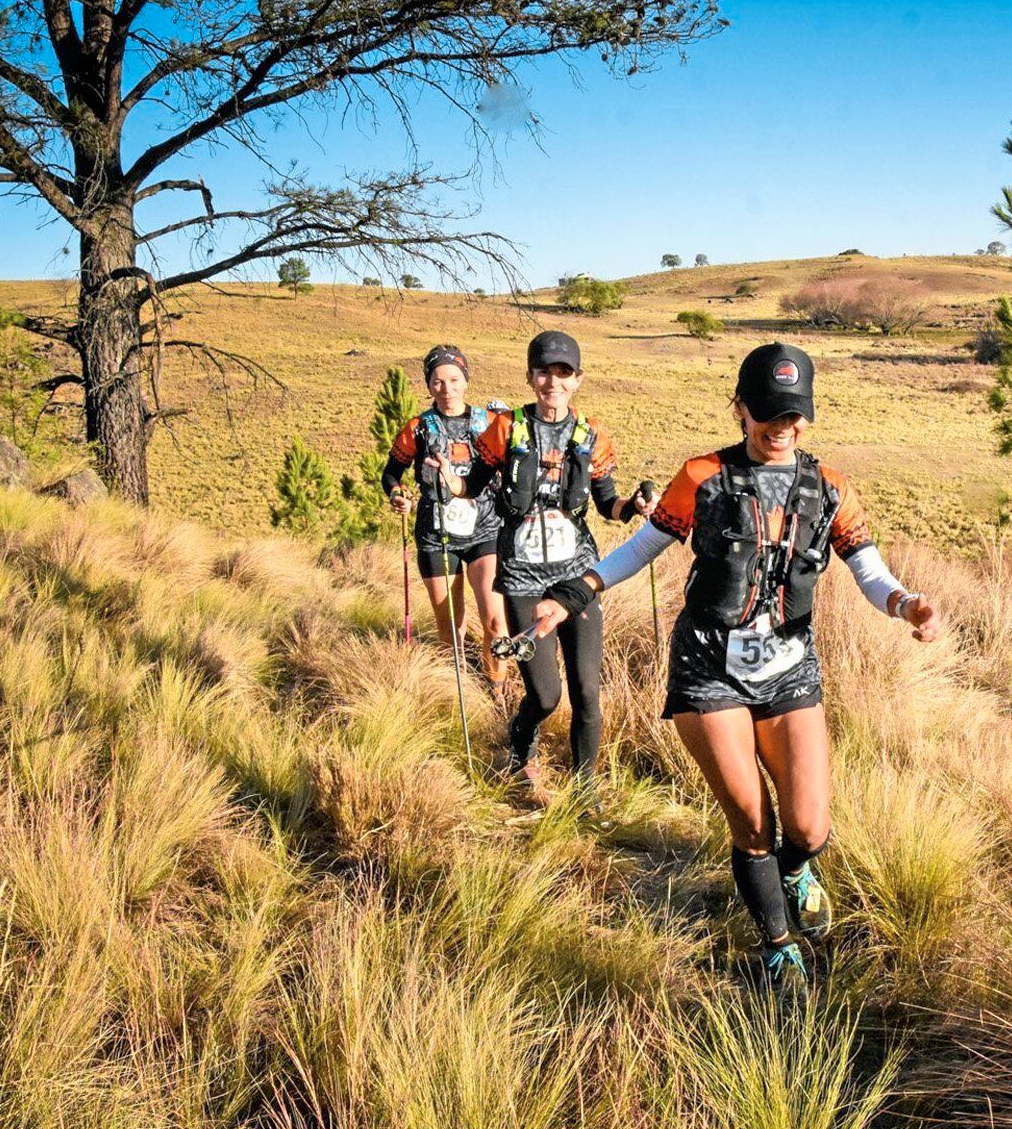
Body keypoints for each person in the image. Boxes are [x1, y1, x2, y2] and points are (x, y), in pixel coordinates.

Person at [529, 341, 940, 994]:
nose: (784, 428)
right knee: (752, 819)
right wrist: (573, 593)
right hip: (707, 665)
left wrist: (905, 603)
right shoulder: (701, 478)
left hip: (789, 666)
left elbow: (867, 567)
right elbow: (639, 549)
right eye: (770, 414)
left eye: (796, 415)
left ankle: (799, 870)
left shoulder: (828, 488)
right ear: (742, 407)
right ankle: (779, 948)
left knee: (808, 826)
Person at [469, 330, 655, 786]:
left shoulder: (591, 436)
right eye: (544, 372)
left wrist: (633, 505)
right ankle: (521, 741)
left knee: (589, 693)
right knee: (547, 694)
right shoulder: (506, 428)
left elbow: (607, 503)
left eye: (563, 373)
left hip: (577, 579)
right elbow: (470, 486)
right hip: (522, 581)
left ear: (577, 380)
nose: (553, 381)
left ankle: (585, 792)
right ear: (530, 377)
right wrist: (434, 485)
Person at [382, 345, 515, 681]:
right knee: (449, 630)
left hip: (485, 530)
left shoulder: (489, 423)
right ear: (428, 385)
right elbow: (391, 473)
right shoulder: (418, 428)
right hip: (436, 535)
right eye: (437, 381)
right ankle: (456, 695)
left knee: (495, 621)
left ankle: (498, 691)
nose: (447, 389)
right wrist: (398, 494)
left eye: (454, 379)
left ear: (466, 381)